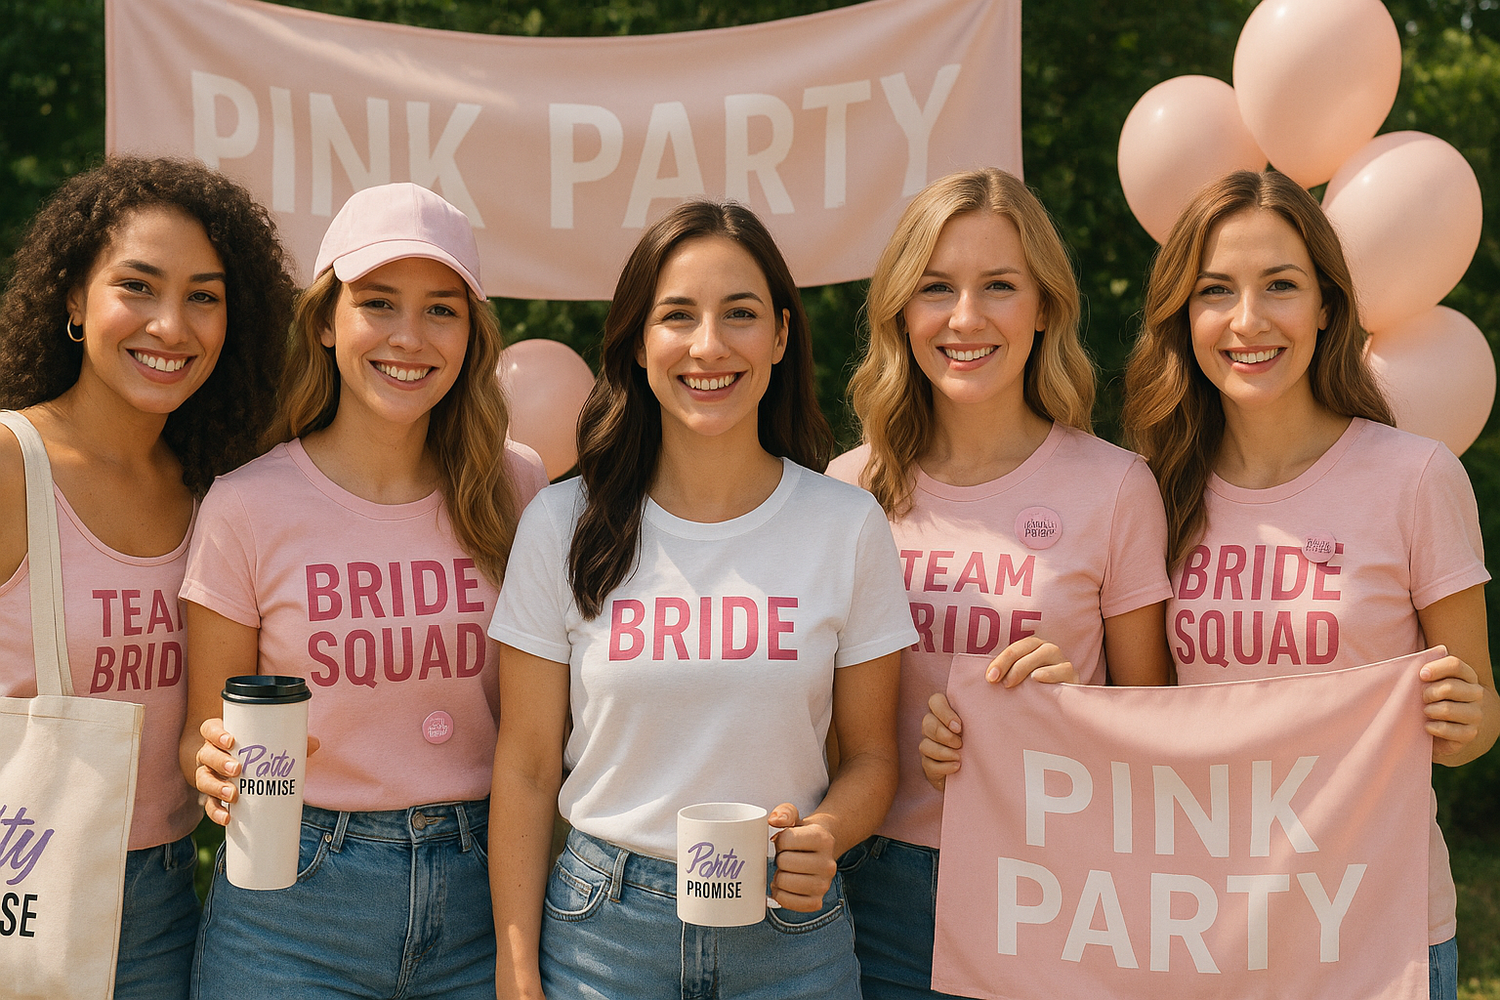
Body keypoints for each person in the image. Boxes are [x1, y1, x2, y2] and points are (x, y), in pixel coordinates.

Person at [488, 200, 916, 1000]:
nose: (708, 346)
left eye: (741, 315)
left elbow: (871, 760)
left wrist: (826, 833)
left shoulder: (846, 525)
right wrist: (517, 977)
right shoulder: (560, 522)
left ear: (782, 337)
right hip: (601, 937)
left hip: (790, 941)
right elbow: (525, 764)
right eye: (677, 316)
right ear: (640, 343)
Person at [1121, 168, 1499, 1000]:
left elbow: (1477, 726)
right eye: (1215, 290)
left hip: (1375, 931)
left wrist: (1465, 717)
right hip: (1206, 926)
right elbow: (1137, 715)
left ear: (1327, 305)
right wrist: (1027, 705)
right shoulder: (1151, 491)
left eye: (1280, 286)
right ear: (1185, 316)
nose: (1247, 321)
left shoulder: (1415, 478)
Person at [180, 182, 549, 999]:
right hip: (291, 902)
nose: (409, 338)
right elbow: (202, 732)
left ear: (472, 332)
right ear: (325, 319)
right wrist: (212, 765)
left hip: (483, 898)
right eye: (378, 303)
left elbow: (539, 734)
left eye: (441, 310)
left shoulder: (516, 487)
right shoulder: (245, 504)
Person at [828, 167, 1173, 998]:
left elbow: (1161, 727)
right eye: (936, 287)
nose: (966, 317)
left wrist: (1067, 709)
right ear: (901, 312)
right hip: (876, 895)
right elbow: (811, 725)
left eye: (1000, 287)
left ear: (1046, 306)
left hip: (1058, 891)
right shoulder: (848, 489)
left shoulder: (1118, 487)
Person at [0, 156, 293, 999]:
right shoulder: (13, 465)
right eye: (138, 286)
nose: (172, 325)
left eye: (204, 296)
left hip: (167, 900)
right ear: (71, 299)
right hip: (22, 880)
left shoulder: (219, 491)